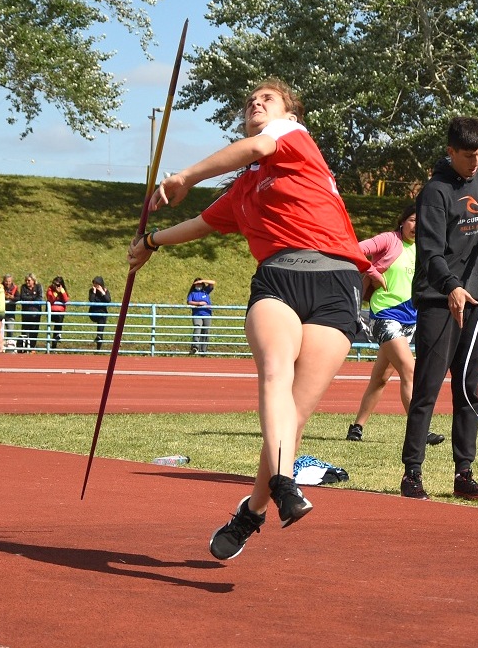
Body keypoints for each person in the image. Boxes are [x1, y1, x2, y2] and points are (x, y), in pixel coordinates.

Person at [127, 77, 369, 561]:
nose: (256, 103)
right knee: (276, 374)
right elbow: (199, 225)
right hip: (279, 279)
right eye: (250, 101)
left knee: (294, 415)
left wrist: (186, 177)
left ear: (288, 112)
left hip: (338, 283)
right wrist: (150, 242)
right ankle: (283, 483)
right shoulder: (243, 189)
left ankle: (252, 511)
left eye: (267, 98)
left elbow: (257, 146)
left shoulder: (293, 138)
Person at [400, 117, 478, 503]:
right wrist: (451, 287)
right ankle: (412, 473)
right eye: (468, 155)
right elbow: (431, 252)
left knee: (468, 389)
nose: (475, 162)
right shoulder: (435, 192)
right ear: (451, 152)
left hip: (477, 297)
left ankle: (463, 473)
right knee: (427, 388)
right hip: (440, 299)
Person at [346, 203, 444, 446]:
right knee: (410, 370)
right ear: (402, 221)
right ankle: (420, 431)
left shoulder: (424, 248)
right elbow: (354, 249)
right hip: (385, 315)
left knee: (380, 378)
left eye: (422, 222)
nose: (417, 226)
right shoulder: (389, 240)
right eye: (413, 220)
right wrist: (372, 271)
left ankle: (356, 427)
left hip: (410, 319)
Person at [187, 277, 216, 355]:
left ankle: (203, 350)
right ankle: (195, 346)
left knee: (206, 331)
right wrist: (199, 303)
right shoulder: (192, 293)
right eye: (197, 284)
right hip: (197, 314)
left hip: (207, 314)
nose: (199, 286)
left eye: (200, 284)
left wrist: (203, 280)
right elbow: (189, 302)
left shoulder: (205, 291)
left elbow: (213, 282)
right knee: (197, 327)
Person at [16, 273, 45, 350]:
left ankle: (32, 348)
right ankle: (24, 348)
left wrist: (30, 299)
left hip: (36, 313)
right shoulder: (23, 287)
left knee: (34, 330)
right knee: (25, 330)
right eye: (26, 280)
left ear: (33, 280)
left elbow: (39, 298)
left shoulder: (38, 286)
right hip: (26, 313)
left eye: (29, 280)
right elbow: (23, 297)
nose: (27, 282)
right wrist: (33, 298)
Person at [88, 276, 111, 350]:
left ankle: (99, 341)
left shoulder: (105, 290)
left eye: (97, 284)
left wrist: (102, 292)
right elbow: (91, 300)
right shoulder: (91, 291)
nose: (95, 285)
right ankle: (99, 337)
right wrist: (94, 292)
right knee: (101, 318)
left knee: (101, 327)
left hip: (102, 313)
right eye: (94, 283)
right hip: (93, 312)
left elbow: (108, 300)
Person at [46, 275, 69, 350]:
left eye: (57, 284)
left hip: (60, 312)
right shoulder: (50, 289)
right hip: (52, 311)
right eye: (54, 284)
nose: (55, 286)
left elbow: (66, 300)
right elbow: (50, 299)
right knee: (58, 320)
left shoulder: (63, 290)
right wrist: (56, 292)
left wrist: (62, 291)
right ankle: (58, 334)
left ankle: (55, 342)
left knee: (59, 320)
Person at [2, 274, 19, 350]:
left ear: (11, 281)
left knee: (10, 330)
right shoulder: (0, 287)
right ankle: (0, 346)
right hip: (1, 312)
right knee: (0, 330)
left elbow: (19, 297)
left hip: (10, 312)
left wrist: (13, 298)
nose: (8, 283)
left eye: (9, 281)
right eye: (6, 281)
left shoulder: (15, 288)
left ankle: (9, 347)